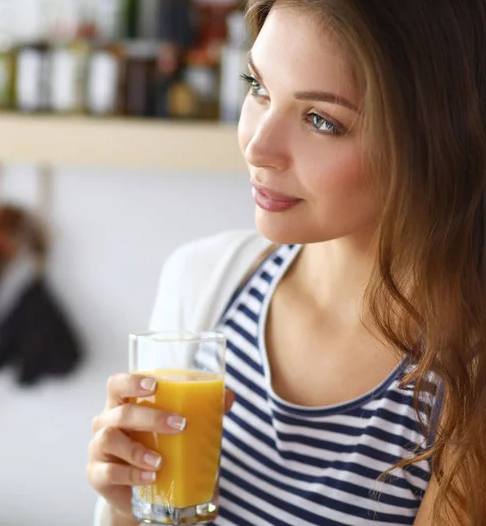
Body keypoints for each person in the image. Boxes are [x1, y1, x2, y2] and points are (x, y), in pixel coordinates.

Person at [88, 0, 486, 524]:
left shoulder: (465, 373)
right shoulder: (204, 283)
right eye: (258, 88)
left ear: (434, 137)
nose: (258, 145)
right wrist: (133, 507)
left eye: (321, 120)